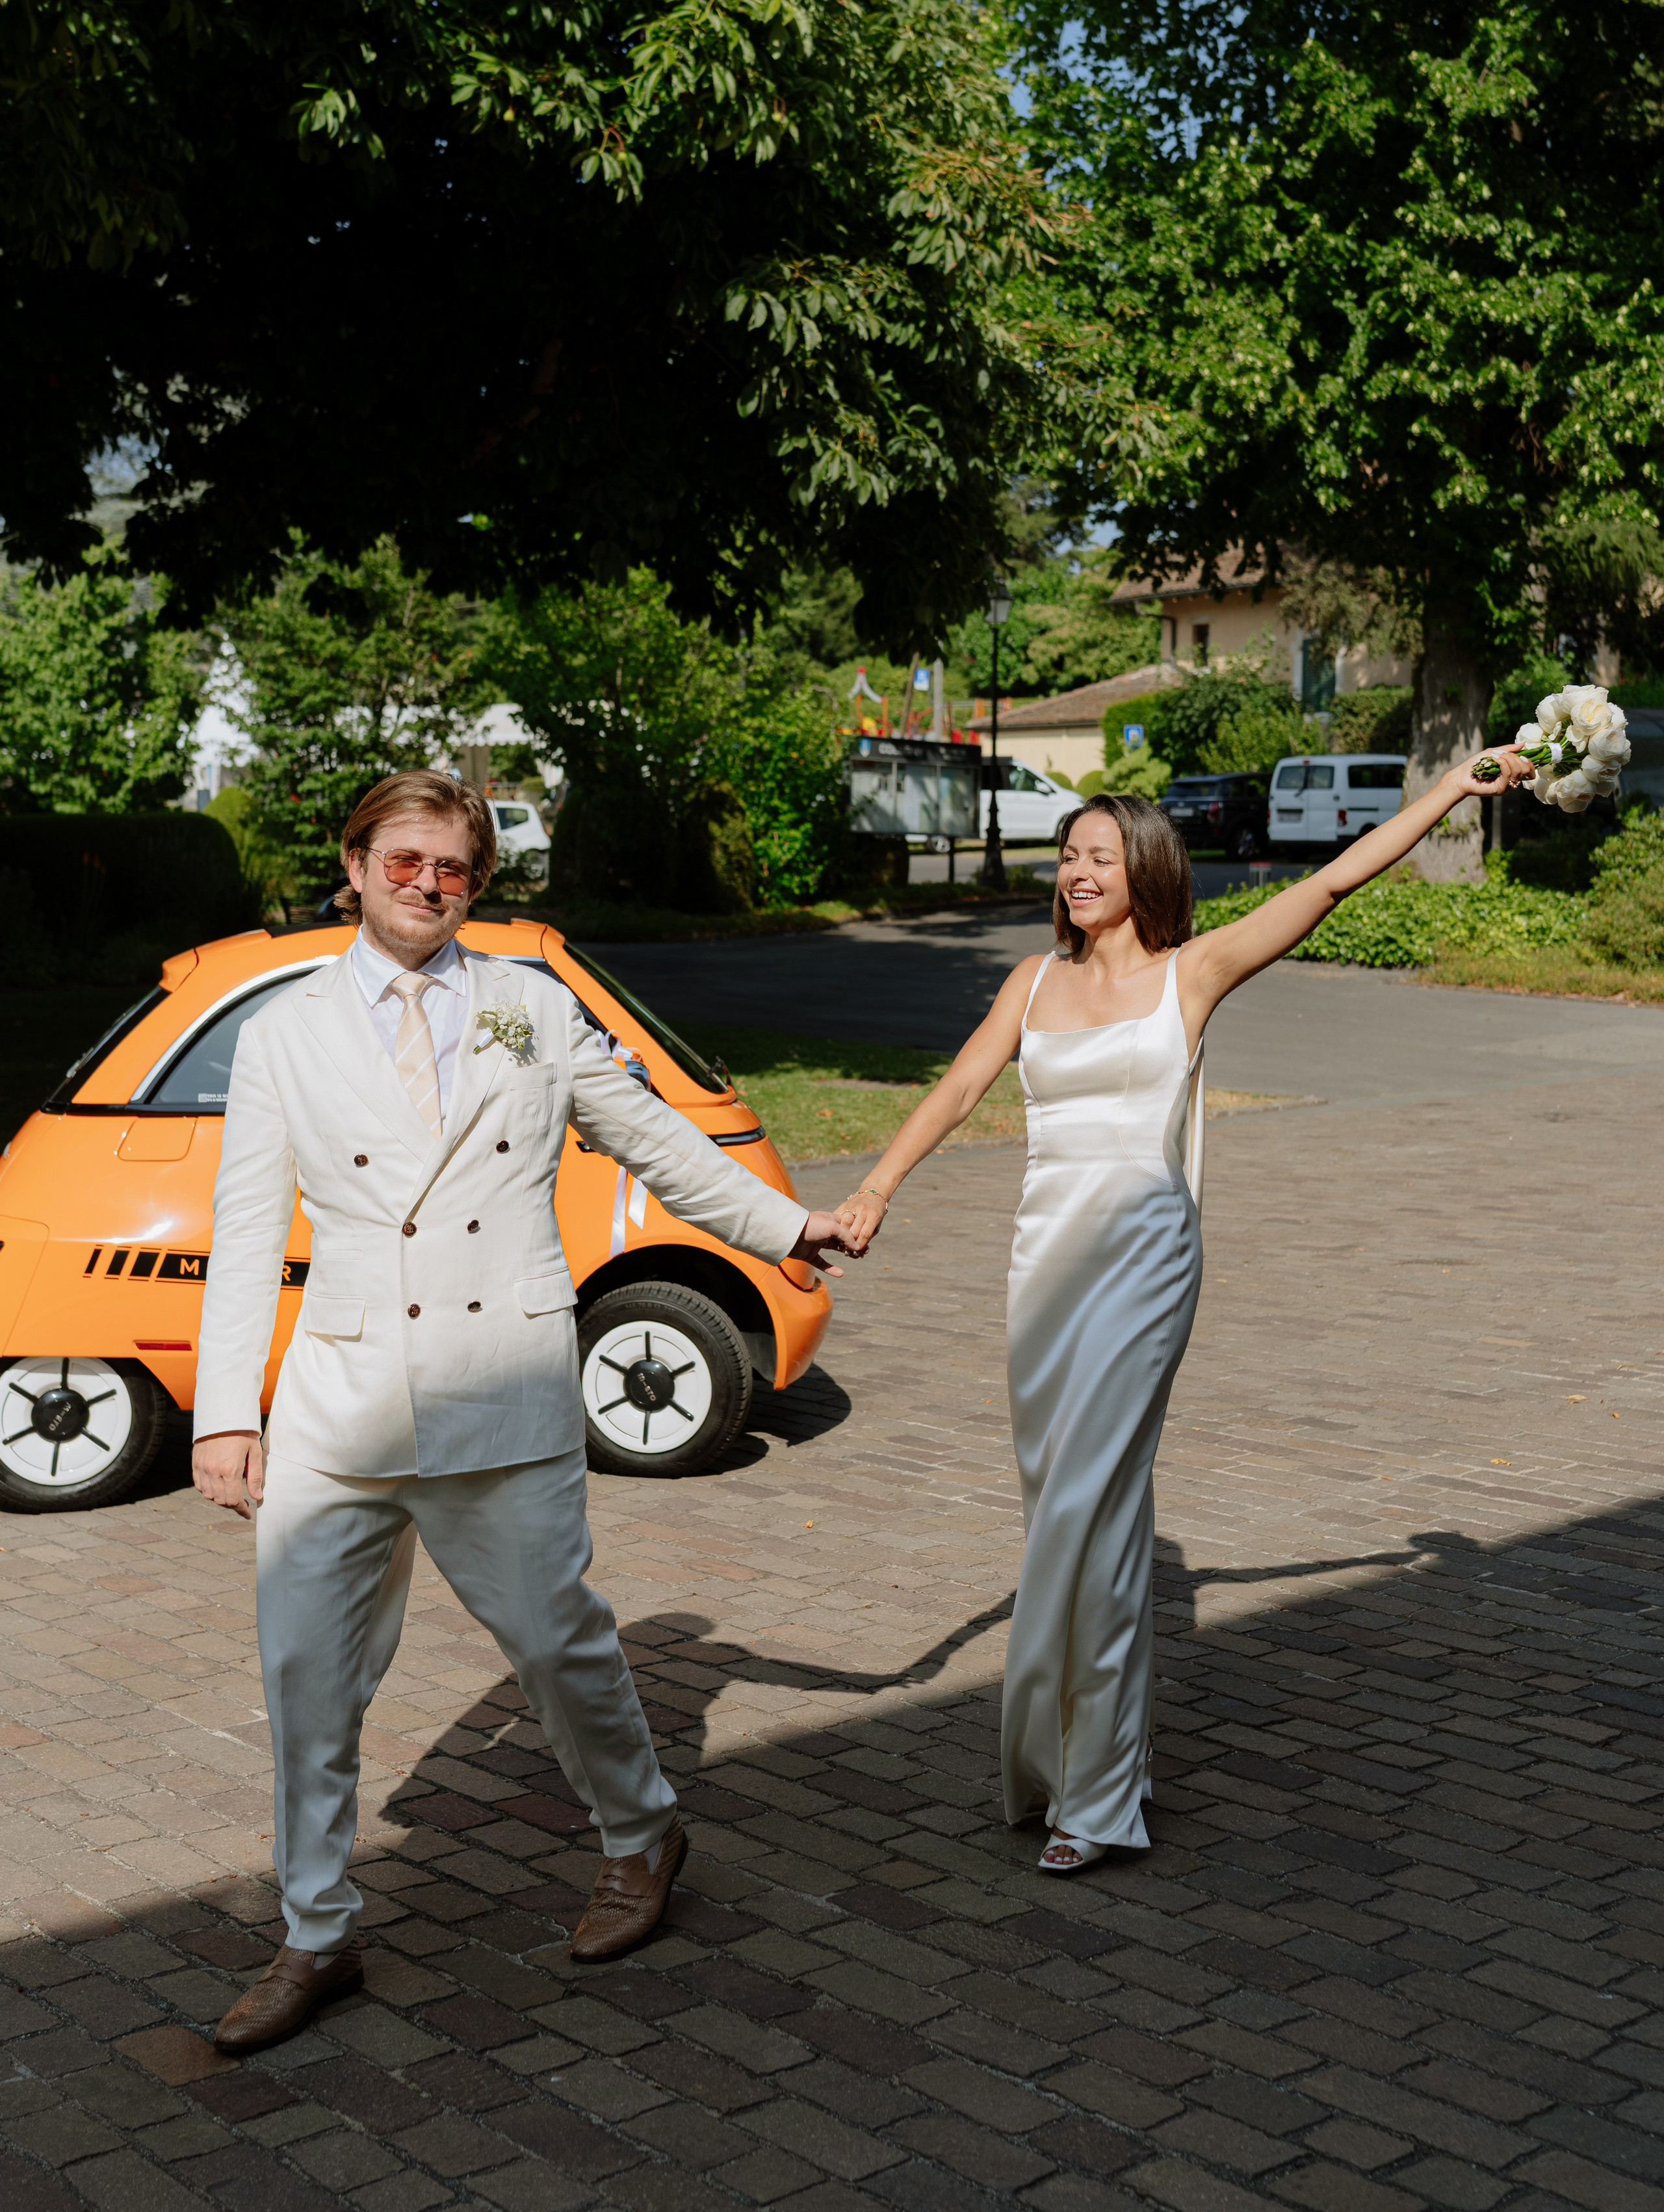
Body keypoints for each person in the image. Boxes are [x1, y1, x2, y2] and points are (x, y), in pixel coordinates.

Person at [192, 771, 854, 2051]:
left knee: (556, 1646)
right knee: (307, 1678)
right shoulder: (284, 1029)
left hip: (504, 1385)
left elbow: (652, 1141)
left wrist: (784, 1226)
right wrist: (230, 1410)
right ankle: (315, 1933)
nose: (430, 886)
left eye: (456, 869)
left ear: (477, 884)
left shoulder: (525, 1011)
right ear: (354, 862)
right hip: (342, 1400)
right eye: (406, 862)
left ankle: (641, 1831)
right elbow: (240, 1232)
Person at [835, 746, 1530, 1871]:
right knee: (1074, 1515)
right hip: (1044, 1261)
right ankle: (1073, 1771)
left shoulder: (1191, 974)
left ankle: (1094, 1799)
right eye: (1066, 854)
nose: (1075, 871)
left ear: (1145, 870)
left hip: (1146, 1258)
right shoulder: (1032, 984)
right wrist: (875, 1186)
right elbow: (960, 1087)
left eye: (1098, 855)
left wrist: (1450, 793)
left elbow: (1334, 882)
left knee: (1086, 1515)